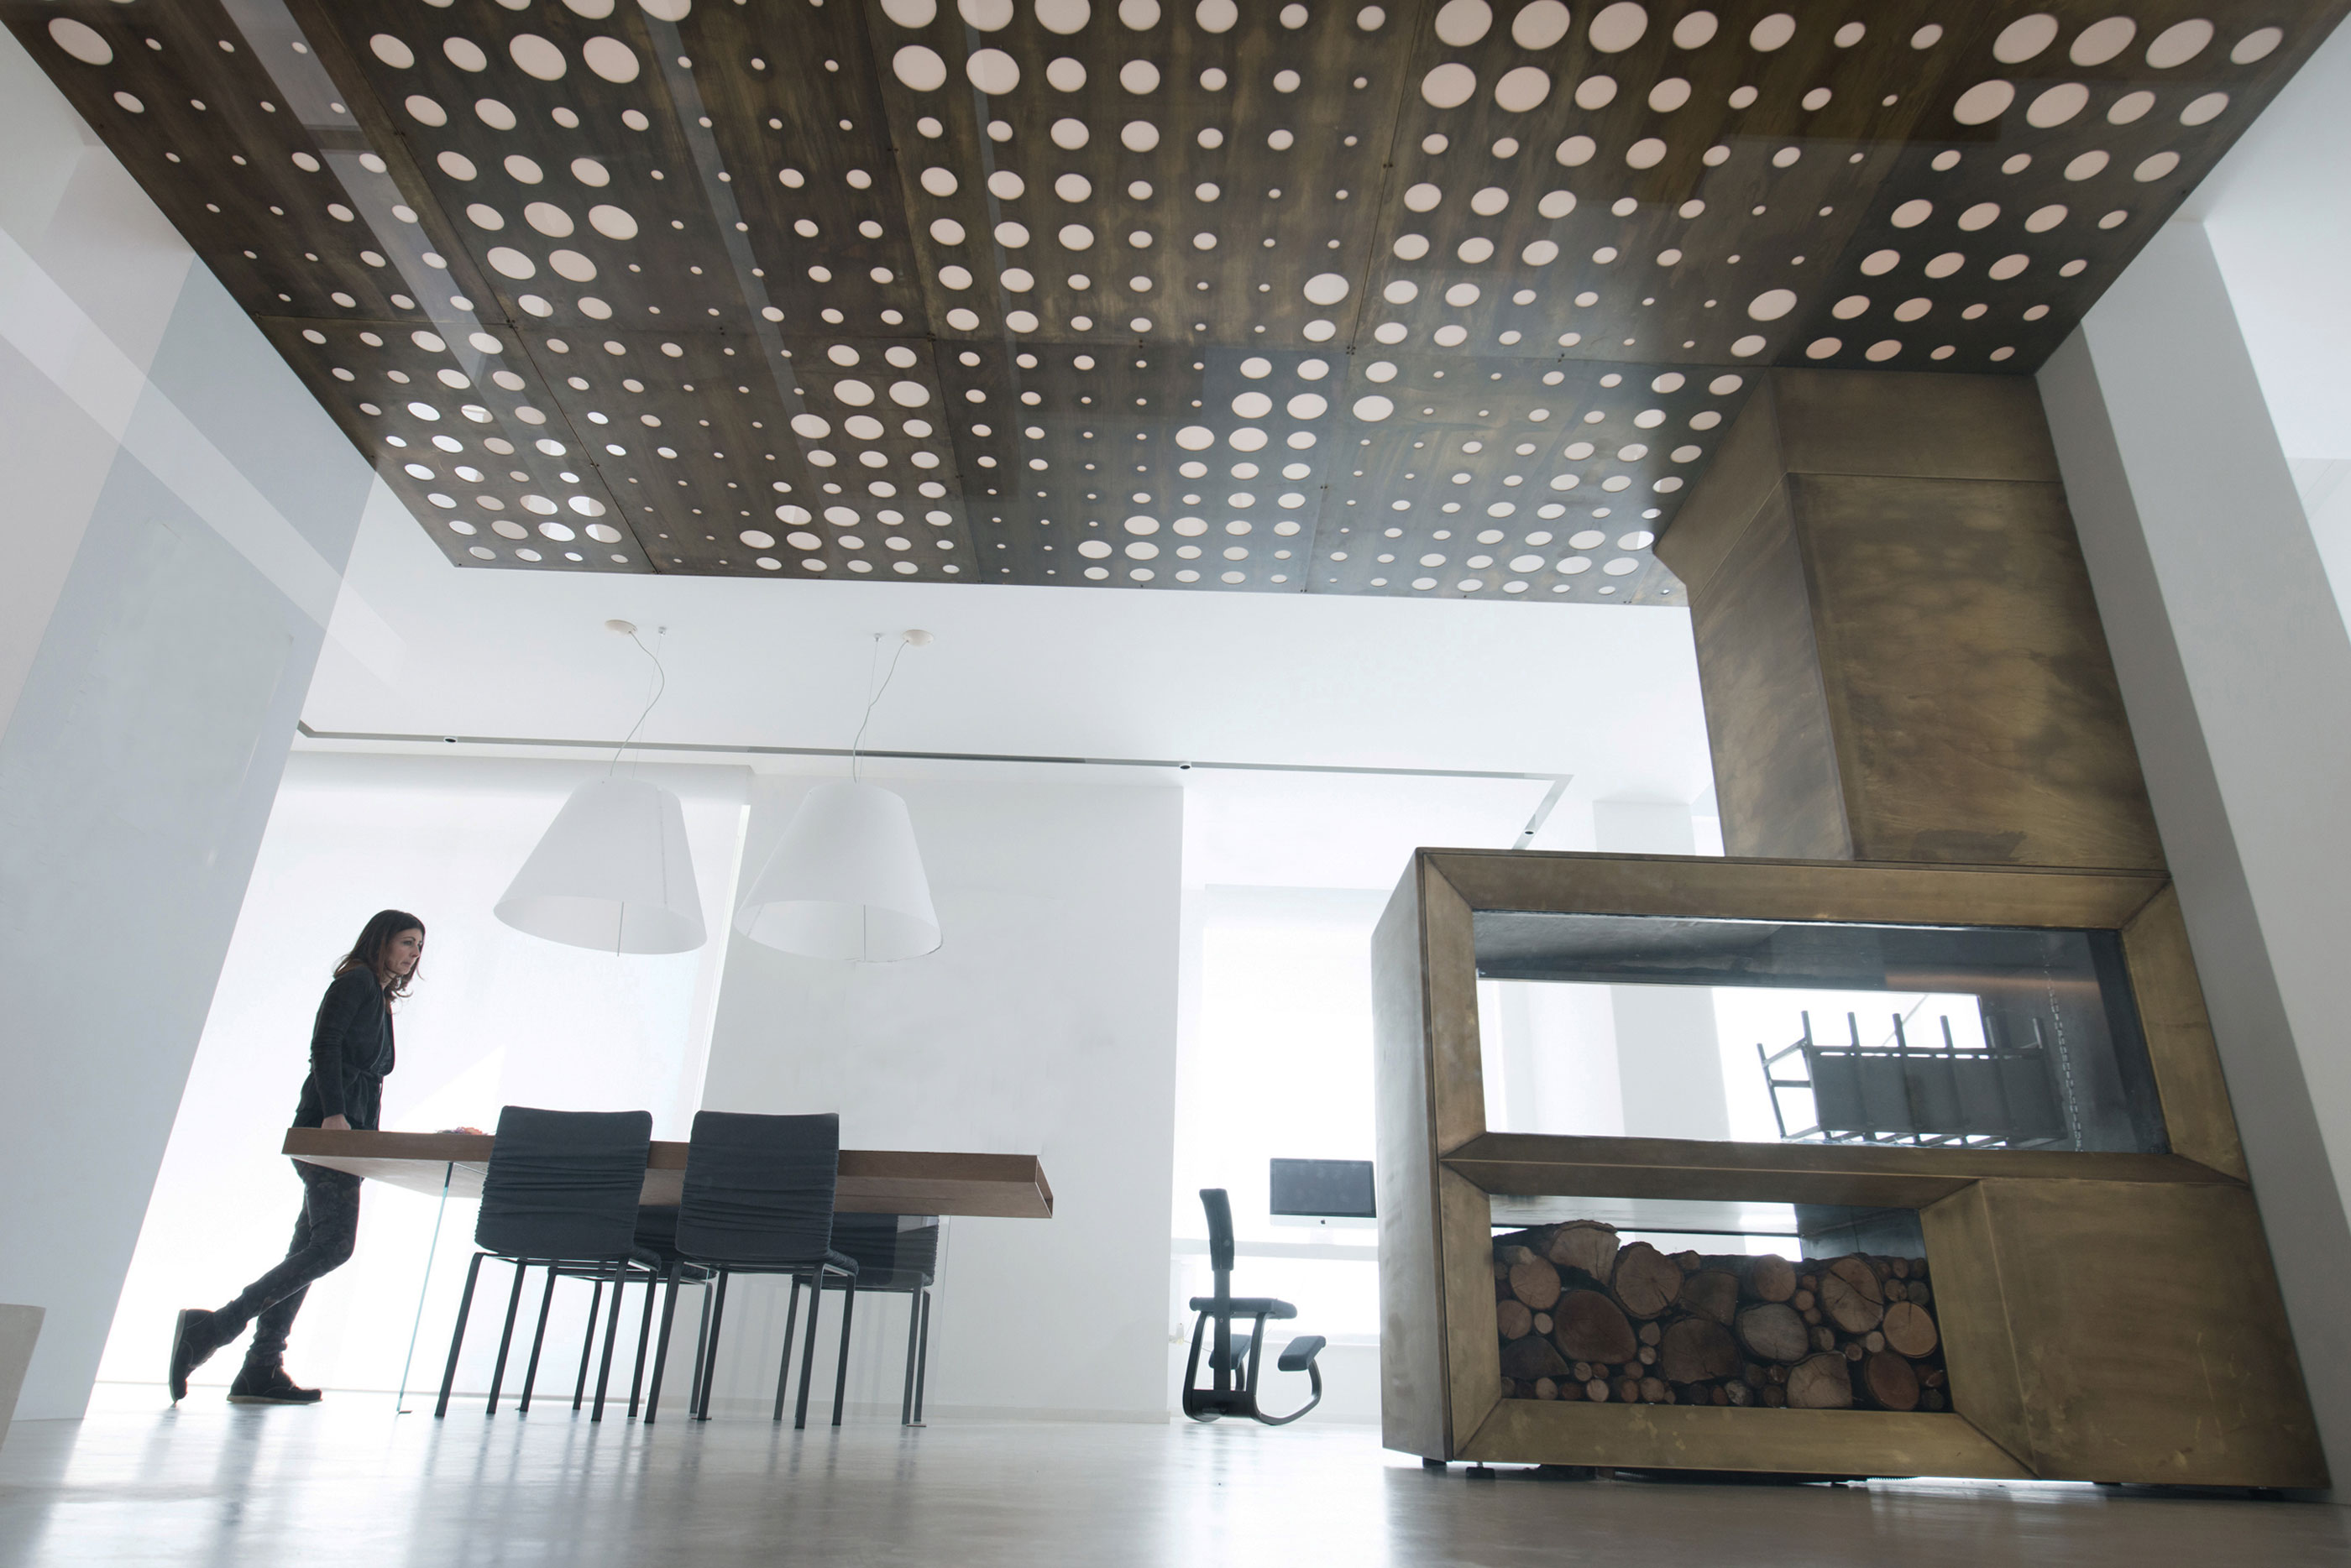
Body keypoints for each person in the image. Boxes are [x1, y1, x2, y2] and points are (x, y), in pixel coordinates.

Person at [167, 911, 424, 1405]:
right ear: (381, 942)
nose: (414, 954)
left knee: (308, 1248)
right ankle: (211, 1331)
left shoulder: (377, 993)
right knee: (333, 1247)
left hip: (351, 1132)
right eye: (407, 942)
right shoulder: (356, 981)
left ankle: (260, 1369)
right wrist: (334, 1115)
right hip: (330, 1128)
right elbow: (324, 1045)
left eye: (419, 947)